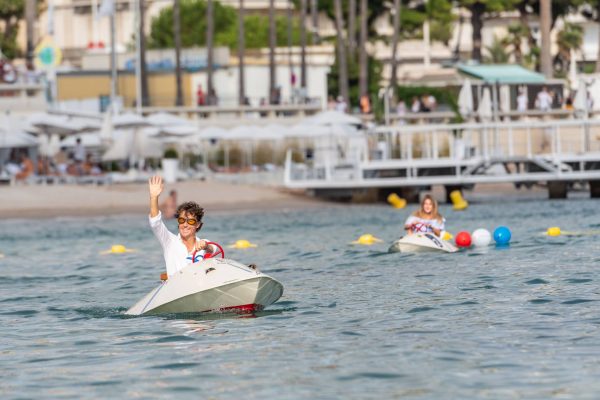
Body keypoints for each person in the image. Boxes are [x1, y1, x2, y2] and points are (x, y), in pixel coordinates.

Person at [148, 176, 215, 278]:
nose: (185, 224)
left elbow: (212, 249)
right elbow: (155, 223)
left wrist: (205, 246)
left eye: (191, 221)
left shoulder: (204, 243)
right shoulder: (169, 241)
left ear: (198, 225)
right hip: (176, 289)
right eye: (182, 220)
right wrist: (154, 197)